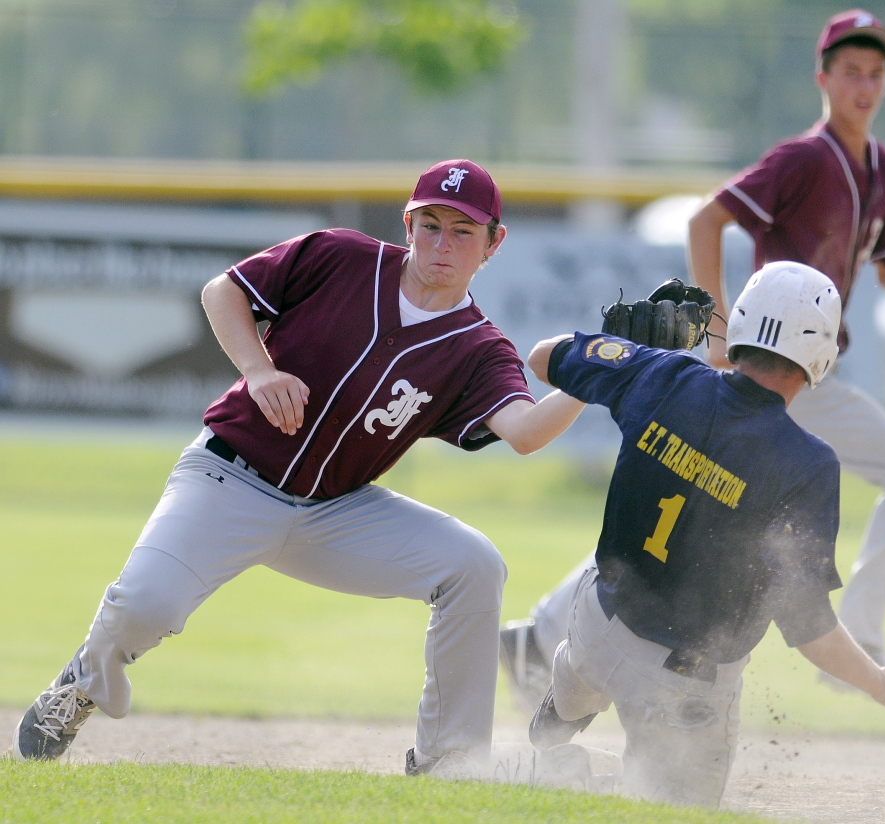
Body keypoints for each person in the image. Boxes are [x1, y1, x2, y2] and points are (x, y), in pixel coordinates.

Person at [9, 159, 585, 774]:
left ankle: (449, 759)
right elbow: (223, 291)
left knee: (473, 564)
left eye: (463, 231)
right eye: (431, 225)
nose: (442, 244)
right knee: (145, 606)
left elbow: (525, 432)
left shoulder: (478, 347)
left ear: (493, 242)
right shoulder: (342, 257)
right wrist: (259, 370)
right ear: (408, 224)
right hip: (230, 478)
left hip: (335, 511)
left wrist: (598, 375)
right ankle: (82, 683)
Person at [500, 9, 885, 708]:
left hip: (811, 377)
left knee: (676, 502)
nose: (864, 85)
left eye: (876, 73)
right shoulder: (804, 158)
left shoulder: (882, 169)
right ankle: (858, 638)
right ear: (823, 78)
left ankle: (538, 639)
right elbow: (705, 218)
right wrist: (718, 331)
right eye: (851, 71)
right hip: (773, 366)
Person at [523, 261, 885, 808]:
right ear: (821, 357)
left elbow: (541, 358)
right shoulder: (807, 462)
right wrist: (877, 681)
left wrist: (624, 348)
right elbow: (806, 625)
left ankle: (567, 701)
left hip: (596, 621)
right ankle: (585, 774)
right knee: (674, 811)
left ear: (741, 326)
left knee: (588, 648)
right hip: (680, 685)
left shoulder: (661, 374)